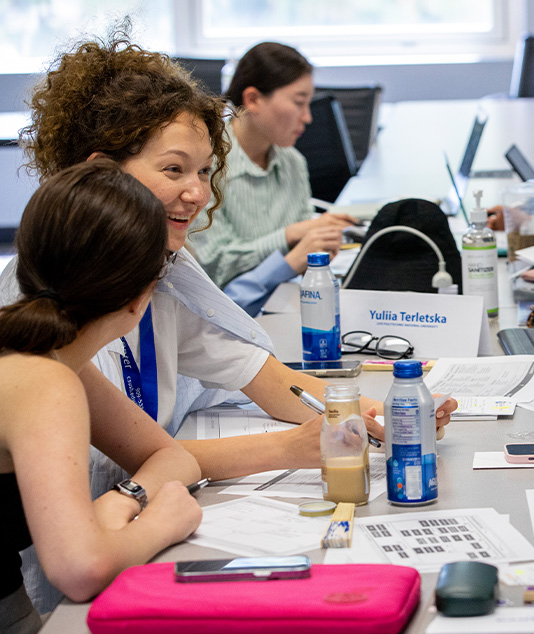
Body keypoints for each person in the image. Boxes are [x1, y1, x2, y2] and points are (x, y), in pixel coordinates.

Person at [5, 32, 455, 611]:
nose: (196, 194)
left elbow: (224, 406)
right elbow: (82, 562)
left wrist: (365, 413)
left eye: (203, 172)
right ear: (104, 176)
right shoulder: (47, 369)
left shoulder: (83, 333)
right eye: (173, 169)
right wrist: (162, 511)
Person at [0, 160, 202, 634]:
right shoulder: (43, 381)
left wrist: (121, 499)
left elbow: (170, 457)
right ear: (141, 297)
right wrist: (162, 523)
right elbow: (81, 569)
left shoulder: (41, 354)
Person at [188, 42, 358, 316]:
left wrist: (314, 242)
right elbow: (214, 264)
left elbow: (304, 247)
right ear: (253, 99)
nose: (308, 117)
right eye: (299, 102)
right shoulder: (207, 164)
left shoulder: (293, 162)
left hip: (287, 309)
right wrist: (291, 236)